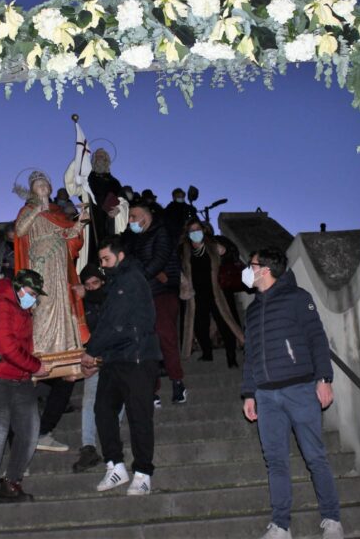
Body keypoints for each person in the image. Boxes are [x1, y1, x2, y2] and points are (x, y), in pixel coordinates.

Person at [240, 248, 343, 539]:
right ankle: (281, 525)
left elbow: (316, 339)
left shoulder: (298, 299)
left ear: (266, 269)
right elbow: (250, 355)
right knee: (275, 461)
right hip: (266, 396)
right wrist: (249, 393)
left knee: (315, 457)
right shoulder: (252, 309)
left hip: (300, 389)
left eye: (252, 265)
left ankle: (332, 519)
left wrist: (324, 379)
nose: (249, 269)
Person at [0, 269, 53, 528]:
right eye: (30, 293)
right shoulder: (1, 304)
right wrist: (35, 366)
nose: (33, 299)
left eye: (36, 295)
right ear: (17, 288)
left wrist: (34, 366)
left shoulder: (22, 310)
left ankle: (12, 484)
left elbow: (22, 347)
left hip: (18, 377)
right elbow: (6, 346)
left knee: (29, 429)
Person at [81, 237, 162, 495]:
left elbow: (114, 323)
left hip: (138, 358)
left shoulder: (130, 279)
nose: (103, 265)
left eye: (106, 259)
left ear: (121, 256)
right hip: (115, 359)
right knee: (103, 410)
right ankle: (115, 465)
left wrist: (90, 351)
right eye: (101, 260)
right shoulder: (117, 282)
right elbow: (108, 320)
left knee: (139, 417)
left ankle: (143, 473)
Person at [14, 171, 91, 363]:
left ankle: (64, 346)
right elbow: (20, 230)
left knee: (63, 300)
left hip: (59, 260)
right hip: (40, 260)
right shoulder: (28, 210)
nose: (43, 187)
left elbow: (69, 235)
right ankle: (41, 348)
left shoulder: (57, 211)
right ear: (32, 190)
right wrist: (36, 211)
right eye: (38, 185)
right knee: (44, 301)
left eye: (45, 184)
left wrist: (80, 221)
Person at [122, 201, 186, 406]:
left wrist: (139, 277)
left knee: (165, 335)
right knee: (147, 342)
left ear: (145, 216)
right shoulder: (135, 239)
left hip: (163, 294)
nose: (130, 220)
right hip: (144, 296)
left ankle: (177, 382)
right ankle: (153, 388)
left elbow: (159, 259)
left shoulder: (162, 232)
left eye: (133, 216)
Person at [180, 220, 244, 367]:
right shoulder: (185, 249)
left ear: (204, 230)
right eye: (192, 230)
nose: (195, 232)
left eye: (198, 229)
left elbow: (232, 256)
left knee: (225, 323)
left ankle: (231, 356)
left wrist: (225, 251)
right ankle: (207, 353)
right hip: (197, 294)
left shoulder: (214, 244)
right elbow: (181, 269)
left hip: (217, 292)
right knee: (200, 325)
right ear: (188, 234)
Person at [71, 263, 107, 472]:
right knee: (90, 399)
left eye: (96, 283)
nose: (92, 287)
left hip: (112, 357)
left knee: (113, 399)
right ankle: (88, 447)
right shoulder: (84, 305)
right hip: (93, 357)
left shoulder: (111, 298)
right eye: (88, 284)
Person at [87, 148, 123, 253]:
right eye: (96, 157)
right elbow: (80, 193)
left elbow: (121, 199)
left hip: (108, 218)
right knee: (91, 246)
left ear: (106, 160)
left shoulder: (114, 182)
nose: (99, 159)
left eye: (101, 156)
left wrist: (118, 208)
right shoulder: (87, 179)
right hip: (91, 215)